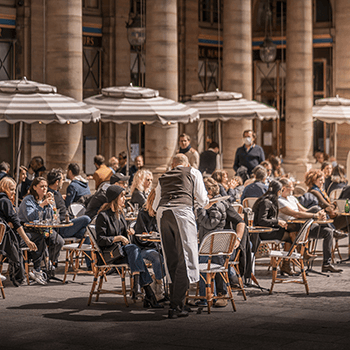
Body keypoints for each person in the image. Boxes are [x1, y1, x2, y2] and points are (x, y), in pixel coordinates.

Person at [153, 153, 209, 318]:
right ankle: (177, 306)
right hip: (182, 213)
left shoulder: (163, 177)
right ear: (186, 163)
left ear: (173, 164)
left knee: (171, 258)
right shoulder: (192, 172)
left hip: (163, 214)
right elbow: (203, 199)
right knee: (185, 258)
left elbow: (156, 204)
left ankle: (176, 303)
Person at [95, 185, 162, 308]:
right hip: (110, 254)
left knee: (134, 252)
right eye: (122, 196)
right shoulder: (103, 216)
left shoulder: (119, 214)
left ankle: (144, 291)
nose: (125, 199)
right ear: (115, 198)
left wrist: (129, 231)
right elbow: (100, 240)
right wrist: (119, 238)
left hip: (123, 253)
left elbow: (125, 236)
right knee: (135, 252)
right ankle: (146, 292)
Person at [196, 177, 244, 307]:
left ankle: (210, 295)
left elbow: (239, 221)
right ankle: (211, 294)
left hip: (215, 246)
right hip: (217, 245)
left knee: (203, 260)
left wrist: (238, 239)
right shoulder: (220, 203)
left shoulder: (216, 205)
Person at [278, 177, 343, 273]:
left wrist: (320, 214)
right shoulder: (279, 201)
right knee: (316, 208)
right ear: (283, 187)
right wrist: (315, 215)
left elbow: (304, 210)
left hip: (305, 225)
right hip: (294, 226)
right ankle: (333, 232)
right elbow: (296, 214)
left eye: (292, 187)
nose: (292, 189)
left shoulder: (292, 198)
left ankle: (326, 264)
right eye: (290, 187)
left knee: (328, 232)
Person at [18, 177, 64, 274]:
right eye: (42, 186)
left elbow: (52, 217)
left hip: (44, 229)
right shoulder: (28, 200)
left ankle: (49, 263)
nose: (44, 189)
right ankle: (42, 266)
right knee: (41, 239)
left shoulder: (45, 199)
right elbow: (30, 217)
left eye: (46, 186)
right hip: (29, 230)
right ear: (34, 187)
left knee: (58, 241)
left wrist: (52, 202)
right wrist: (42, 205)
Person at [47, 169, 92, 269]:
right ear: (57, 182)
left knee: (87, 233)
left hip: (67, 224)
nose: (63, 182)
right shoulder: (49, 195)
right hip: (62, 227)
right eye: (62, 180)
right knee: (86, 219)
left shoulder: (57, 193)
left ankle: (90, 265)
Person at [0, 177, 41, 286]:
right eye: (12, 189)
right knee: (38, 237)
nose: (14, 192)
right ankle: (36, 269)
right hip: (5, 241)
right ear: (5, 188)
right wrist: (27, 241)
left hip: (3, 238)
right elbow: (16, 222)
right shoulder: (5, 201)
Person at [252, 180, 295, 276]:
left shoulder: (267, 200)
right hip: (263, 232)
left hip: (268, 229)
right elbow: (262, 221)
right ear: (278, 191)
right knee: (291, 236)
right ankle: (286, 264)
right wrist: (278, 222)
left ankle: (286, 263)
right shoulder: (266, 202)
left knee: (292, 232)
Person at [133, 188, 165, 301]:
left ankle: (154, 279)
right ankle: (159, 288)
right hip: (144, 248)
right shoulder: (143, 213)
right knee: (157, 258)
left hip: (160, 247)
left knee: (172, 257)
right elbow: (140, 237)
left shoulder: (163, 213)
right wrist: (152, 237)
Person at [305, 169, 349, 233]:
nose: (323, 182)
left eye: (323, 180)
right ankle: (337, 232)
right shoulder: (315, 192)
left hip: (327, 218)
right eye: (320, 180)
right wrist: (335, 204)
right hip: (325, 222)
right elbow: (327, 206)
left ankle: (341, 233)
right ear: (313, 180)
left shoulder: (318, 191)